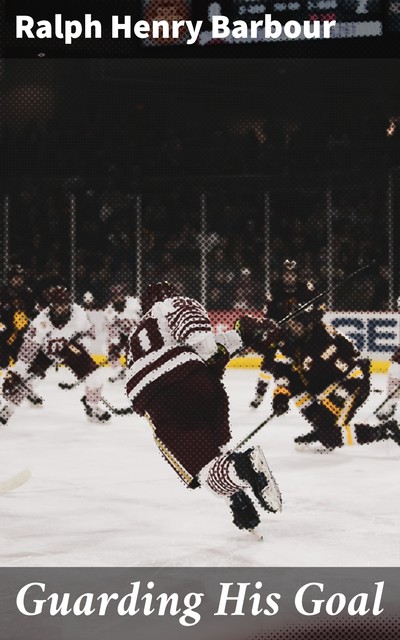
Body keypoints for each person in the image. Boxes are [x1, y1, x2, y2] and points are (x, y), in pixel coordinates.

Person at [125, 281, 282, 535]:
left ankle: (244, 468)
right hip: (202, 387)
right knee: (216, 456)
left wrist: (236, 341)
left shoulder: (137, 334)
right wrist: (246, 335)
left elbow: (206, 349)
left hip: (162, 400)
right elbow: (206, 348)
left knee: (201, 468)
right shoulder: (179, 304)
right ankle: (238, 498)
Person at [268, 308, 400, 451]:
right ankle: (322, 430)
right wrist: (280, 396)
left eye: (297, 326)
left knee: (330, 437)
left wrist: (334, 403)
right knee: (296, 389)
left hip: (353, 385)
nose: (292, 329)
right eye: (291, 325)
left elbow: (355, 375)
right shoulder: (290, 339)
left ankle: (383, 431)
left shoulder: (324, 345)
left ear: (309, 326)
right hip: (325, 385)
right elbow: (282, 369)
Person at [0, 285, 110, 425]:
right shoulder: (40, 322)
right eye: (59, 304)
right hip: (45, 353)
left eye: (65, 303)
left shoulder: (78, 313)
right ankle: (7, 410)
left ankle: (92, 407)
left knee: (95, 376)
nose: (63, 307)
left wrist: (79, 344)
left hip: (70, 349)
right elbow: (26, 355)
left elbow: (89, 333)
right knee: (30, 381)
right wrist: (17, 373)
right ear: (51, 305)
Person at [250, 259, 315, 409]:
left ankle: (311, 392)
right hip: (279, 332)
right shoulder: (275, 290)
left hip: (299, 334)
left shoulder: (305, 289)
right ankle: (260, 394)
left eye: (292, 274)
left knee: (307, 363)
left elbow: (314, 311)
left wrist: (304, 324)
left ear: (297, 275)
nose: (289, 277)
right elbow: (268, 315)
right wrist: (268, 329)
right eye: (287, 274)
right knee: (268, 363)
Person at [104, 283, 141, 383]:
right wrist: (115, 345)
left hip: (137, 332)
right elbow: (112, 331)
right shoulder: (109, 311)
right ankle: (119, 371)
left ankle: (137, 371)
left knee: (136, 352)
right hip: (122, 335)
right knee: (110, 349)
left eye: (120, 295)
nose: (118, 297)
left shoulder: (134, 304)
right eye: (115, 296)